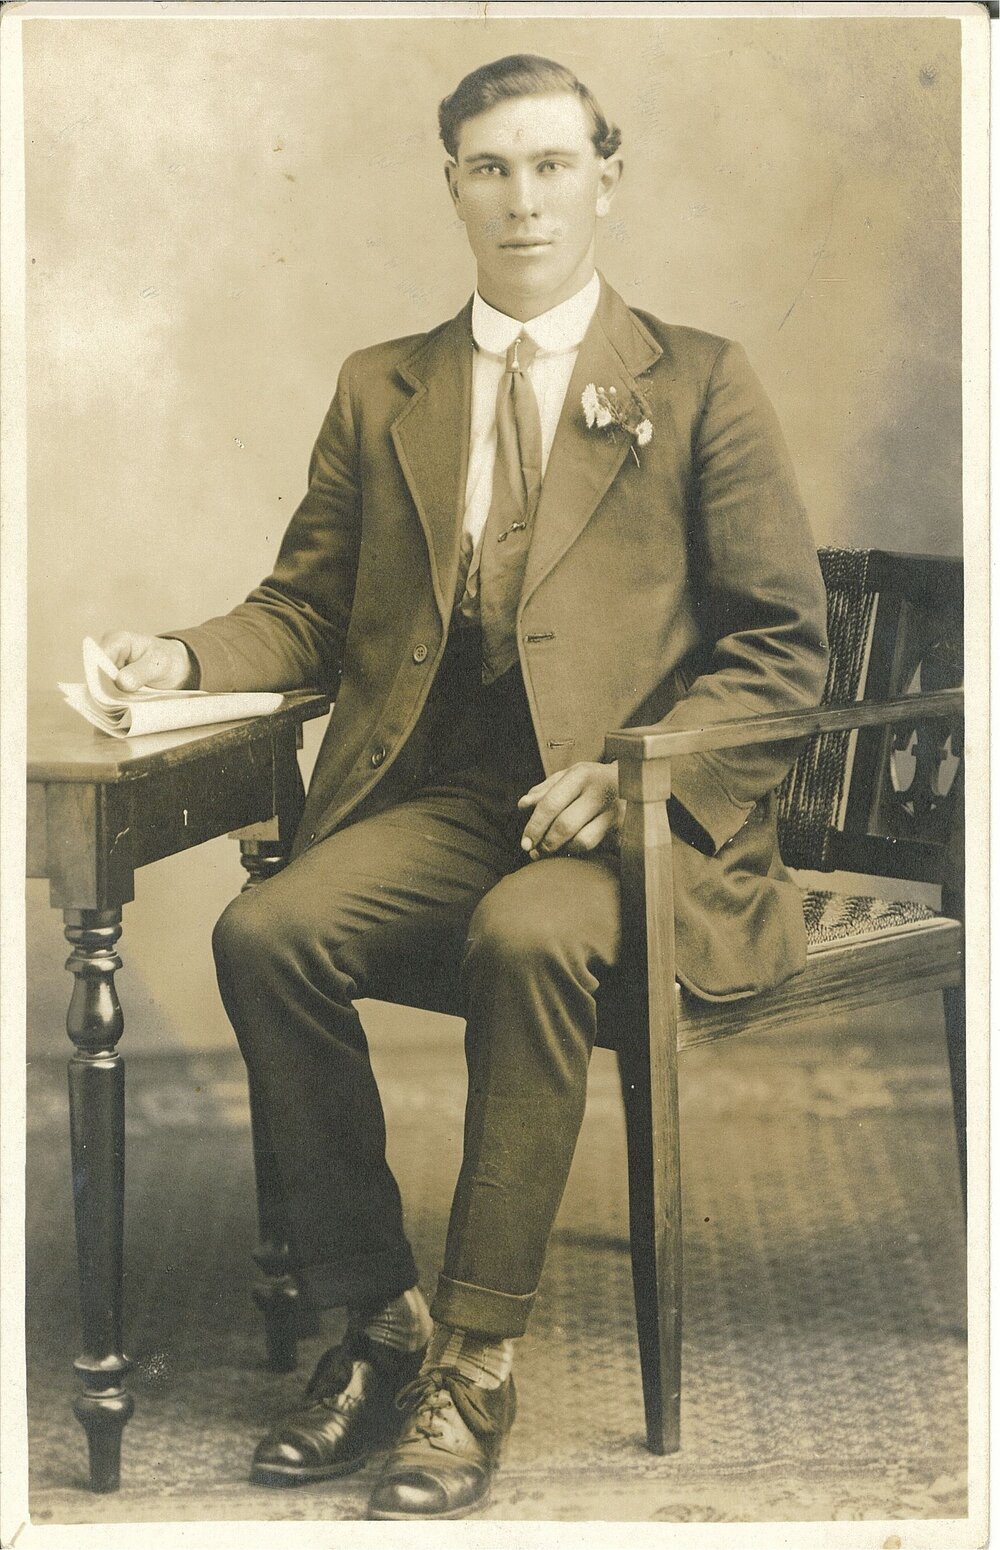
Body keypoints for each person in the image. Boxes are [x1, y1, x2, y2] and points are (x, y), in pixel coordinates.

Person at [102, 54, 829, 1521]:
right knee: (268, 933)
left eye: (553, 165)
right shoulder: (388, 385)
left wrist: (629, 779)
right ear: (450, 187)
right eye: (490, 168)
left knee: (530, 935)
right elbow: (306, 607)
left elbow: (782, 650)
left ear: (606, 176)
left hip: (627, 824)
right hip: (442, 799)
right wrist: (180, 656)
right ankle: (383, 1327)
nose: (524, 199)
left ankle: (478, 1361)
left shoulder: (699, 380)